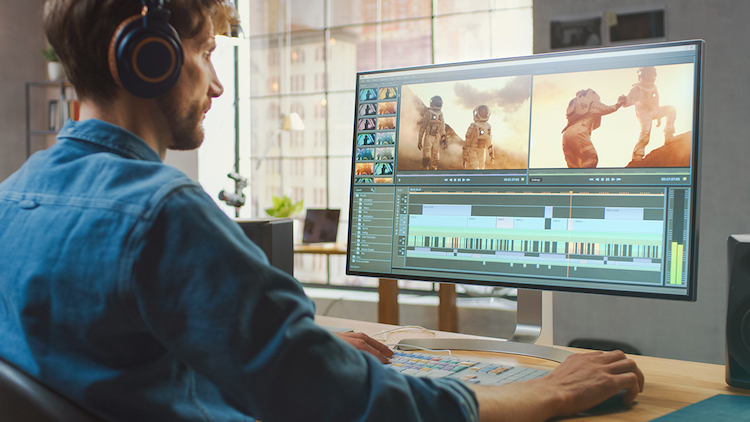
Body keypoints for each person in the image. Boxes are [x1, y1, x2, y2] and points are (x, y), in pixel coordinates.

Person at [0, 1, 644, 421]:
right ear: (149, 57)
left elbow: (112, 356)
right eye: (205, 55)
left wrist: (301, 344)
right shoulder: (164, 214)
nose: (216, 84)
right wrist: (541, 391)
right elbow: (347, 405)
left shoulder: (14, 197)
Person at [622, 66, 677, 161]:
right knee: (646, 131)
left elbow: (656, 101)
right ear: (641, 76)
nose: (649, 77)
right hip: (643, 113)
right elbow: (629, 101)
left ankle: (669, 135)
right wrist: (622, 101)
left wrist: (659, 117)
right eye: (647, 75)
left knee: (671, 109)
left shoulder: (654, 87)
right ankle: (637, 154)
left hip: (654, 110)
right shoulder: (637, 88)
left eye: (651, 75)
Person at [561, 88, 626, 168]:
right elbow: (608, 109)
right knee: (590, 159)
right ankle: (585, 180)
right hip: (579, 132)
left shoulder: (576, 108)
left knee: (574, 167)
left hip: (566, 136)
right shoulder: (592, 104)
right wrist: (620, 103)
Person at [417, 95, 446, 170]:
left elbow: (442, 128)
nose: (437, 103)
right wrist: (420, 140)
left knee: (436, 157)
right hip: (428, 136)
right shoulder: (428, 113)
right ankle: (424, 168)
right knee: (427, 156)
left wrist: (443, 139)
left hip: (436, 137)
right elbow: (422, 127)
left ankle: (433, 170)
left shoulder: (441, 114)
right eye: (436, 102)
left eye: (438, 102)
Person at [464, 105, 495, 169]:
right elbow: (468, 141)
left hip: (482, 151)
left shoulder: (488, 126)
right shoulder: (473, 126)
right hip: (473, 150)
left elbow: (489, 142)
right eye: (482, 112)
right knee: (474, 167)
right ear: (477, 113)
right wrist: (465, 154)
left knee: (481, 168)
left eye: (485, 112)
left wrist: (491, 154)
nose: (484, 113)